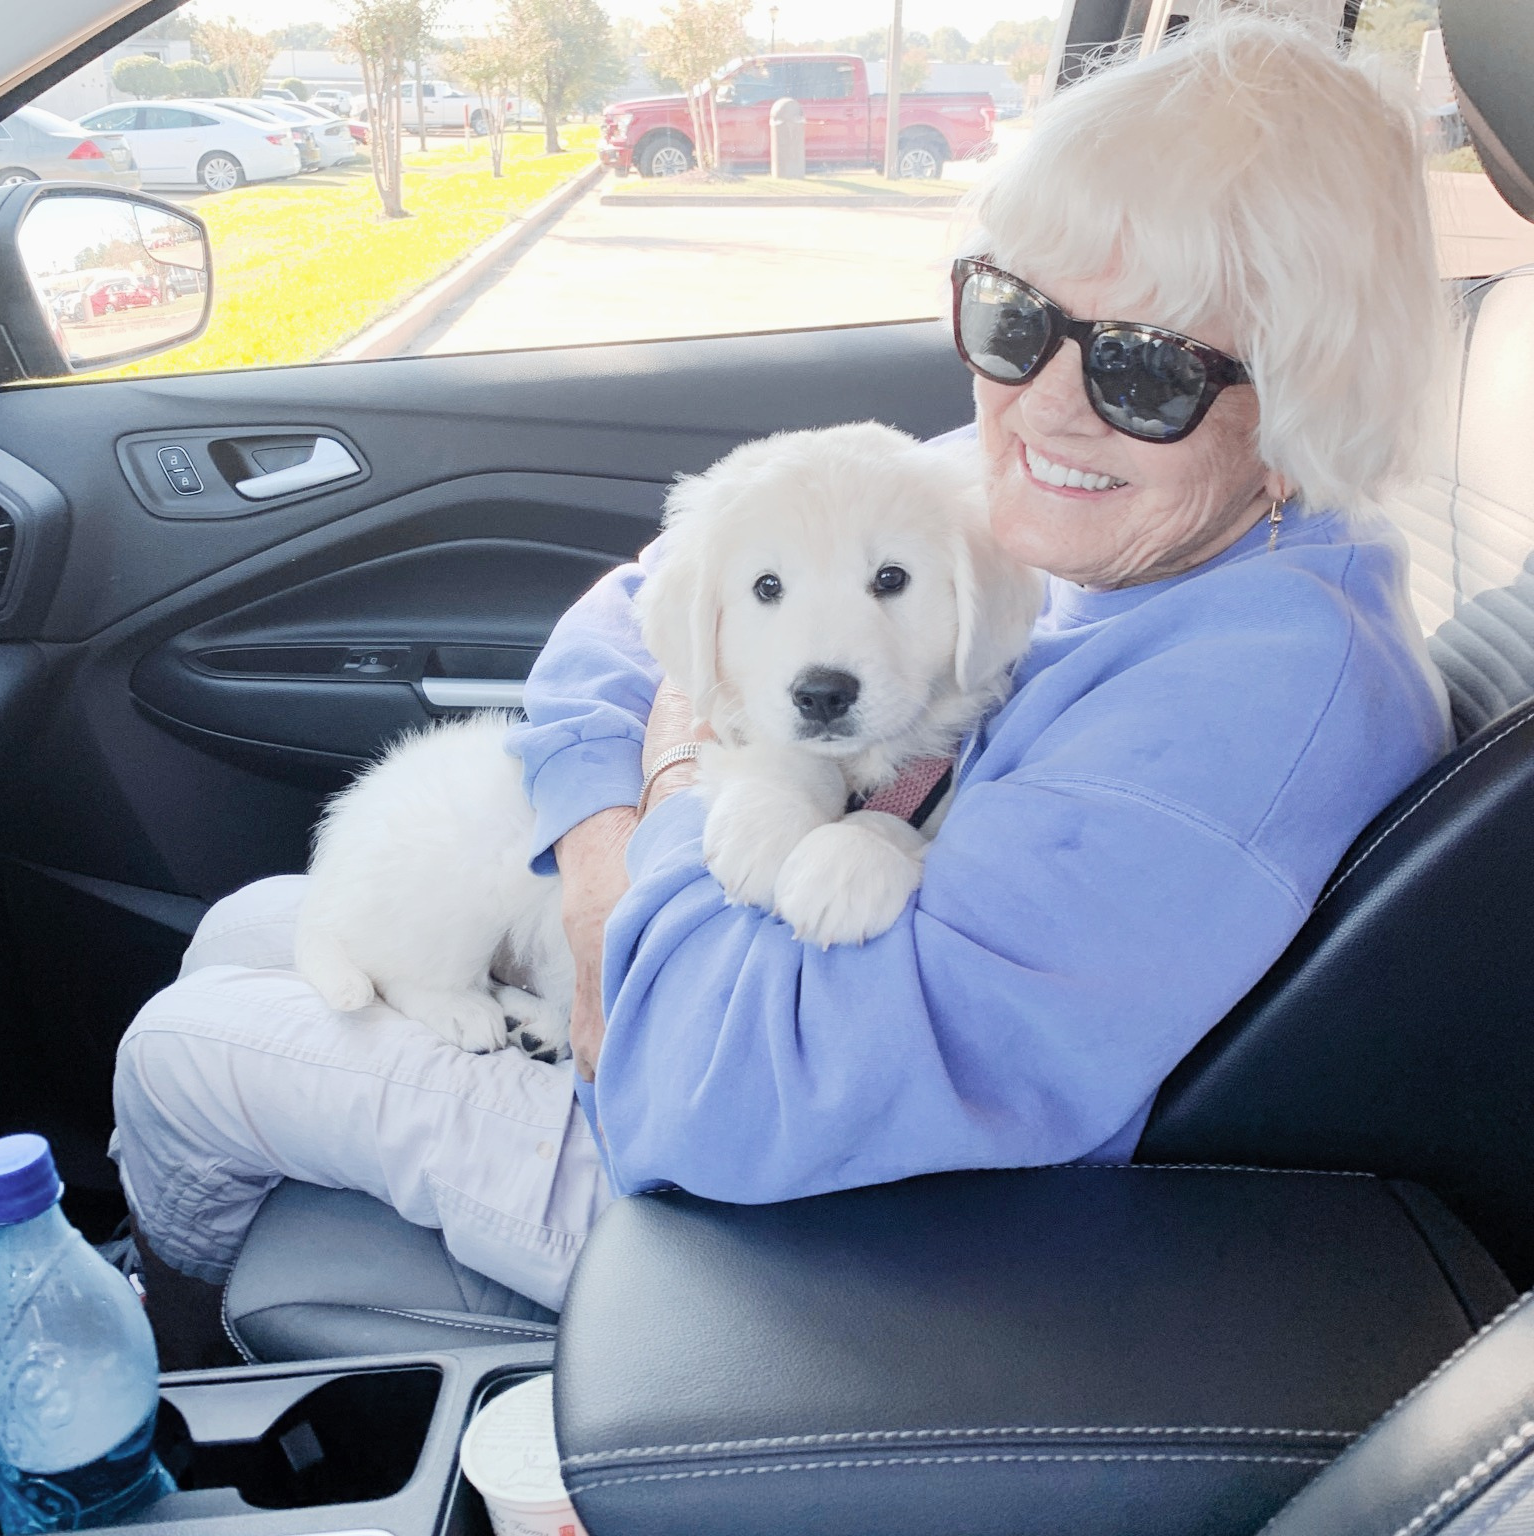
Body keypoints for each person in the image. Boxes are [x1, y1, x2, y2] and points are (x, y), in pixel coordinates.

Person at [112, 12, 1453, 1367]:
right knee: (247, 930)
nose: (1043, 408)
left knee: (184, 1052)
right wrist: (596, 865)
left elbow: (743, 1090)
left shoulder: (1247, 704)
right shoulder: (1082, 511)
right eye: (1018, 317)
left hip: (796, 1204)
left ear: (1305, 391)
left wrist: (681, 785)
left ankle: (163, 1405)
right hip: (718, 1025)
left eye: (1147, 368)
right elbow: (647, 603)